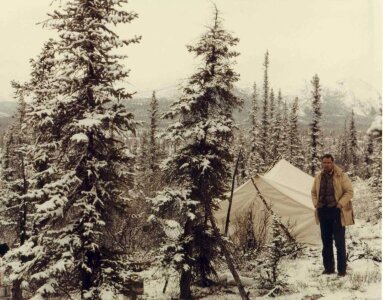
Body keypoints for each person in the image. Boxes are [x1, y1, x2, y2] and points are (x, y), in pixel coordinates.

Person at [311, 154, 354, 277]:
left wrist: (340, 204)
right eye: (324, 163)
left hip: (336, 212)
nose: (327, 165)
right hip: (323, 212)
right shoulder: (318, 177)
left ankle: (342, 271)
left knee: (339, 243)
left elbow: (349, 192)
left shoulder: (341, 175)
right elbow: (313, 192)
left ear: (333, 162)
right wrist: (316, 204)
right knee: (326, 242)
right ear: (322, 163)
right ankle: (329, 269)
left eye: (329, 162)